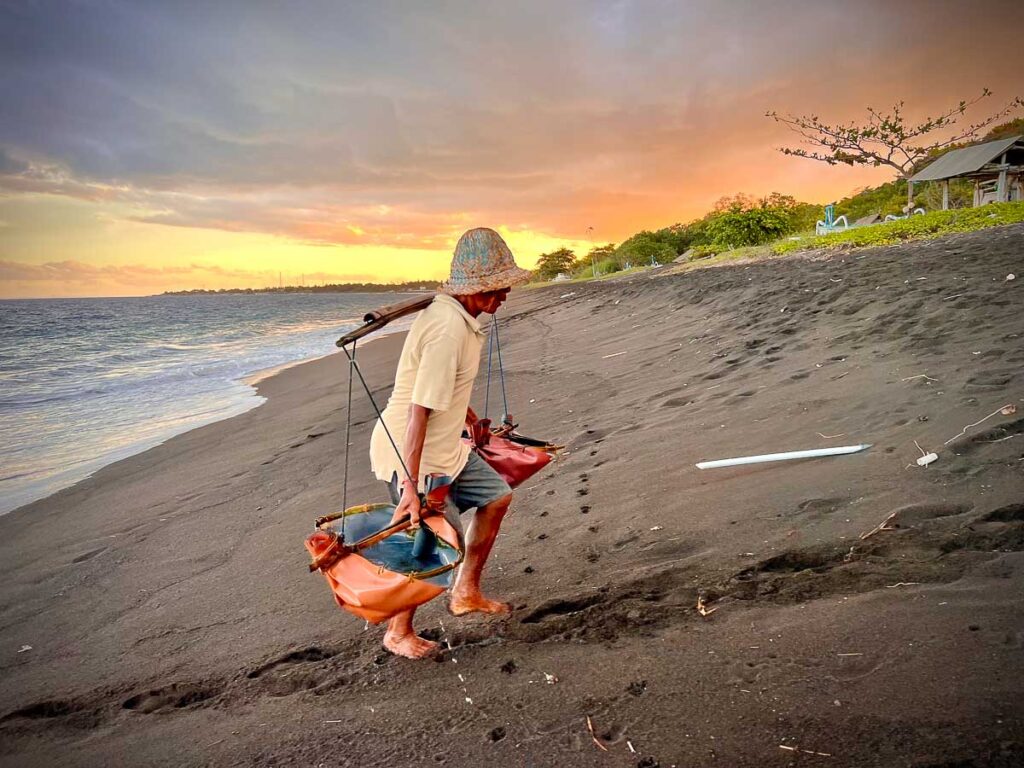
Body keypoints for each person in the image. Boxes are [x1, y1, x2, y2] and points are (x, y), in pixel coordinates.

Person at [369, 227, 532, 659]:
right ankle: (398, 632)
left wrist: (474, 422)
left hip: (447, 447)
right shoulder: (446, 330)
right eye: (500, 288)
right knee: (431, 541)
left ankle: (466, 594)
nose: (505, 296)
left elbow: (447, 391)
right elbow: (418, 412)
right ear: (477, 289)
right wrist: (410, 487)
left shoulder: (461, 319)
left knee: (496, 497)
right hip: (414, 454)